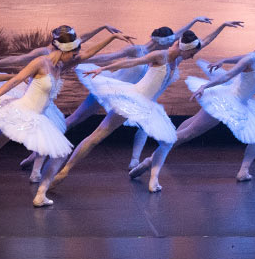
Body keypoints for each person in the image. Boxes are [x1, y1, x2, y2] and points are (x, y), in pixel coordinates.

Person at [0, 29, 134, 205]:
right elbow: (15, 80)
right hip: (20, 112)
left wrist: (111, 37)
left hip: (37, 118)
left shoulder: (62, 65)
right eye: (74, 52)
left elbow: (88, 55)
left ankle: (40, 195)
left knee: (59, 153)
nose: (77, 56)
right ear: (64, 50)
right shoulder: (41, 62)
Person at [37, 22, 242, 202]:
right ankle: (64, 171)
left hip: (147, 106)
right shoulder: (160, 56)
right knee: (97, 136)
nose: (193, 57)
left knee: (167, 141)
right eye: (192, 53)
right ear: (184, 49)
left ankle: (150, 175)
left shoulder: (177, 59)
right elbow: (131, 62)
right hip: (132, 100)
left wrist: (222, 26)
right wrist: (102, 69)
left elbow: (204, 41)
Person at [129, 25, 255, 185]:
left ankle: (244, 170)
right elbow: (228, 76)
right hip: (227, 101)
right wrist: (205, 86)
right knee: (188, 133)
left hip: (243, 102)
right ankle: (148, 162)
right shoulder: (251, 59)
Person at [9, 19, 212, 171]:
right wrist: (82, 61)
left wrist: (195, 21)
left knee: (144, 123)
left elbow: (184, 38)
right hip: (108, 91)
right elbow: (110, 57)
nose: (173, 44)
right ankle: (36, 155)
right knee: (73, 120)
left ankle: (135, 160)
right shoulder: (138, 51)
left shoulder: (163, 57)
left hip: (127, 99)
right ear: (160, 42)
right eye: (170, 42)